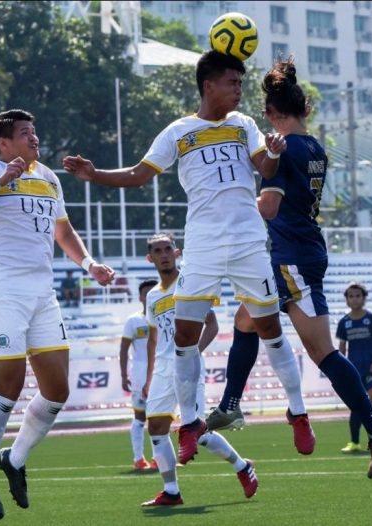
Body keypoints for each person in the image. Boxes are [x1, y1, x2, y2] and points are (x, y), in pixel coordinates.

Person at [63, 50, 314, 464]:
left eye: (240, 83)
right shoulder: (178, 131)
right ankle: (192, 423)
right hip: (202, 246)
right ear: (208, 85)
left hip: (249, 240)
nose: (239, 90)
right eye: (232, 82)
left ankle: (298, 412)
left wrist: (272, 152)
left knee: (270, 328)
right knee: (183, 337)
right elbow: (139, 174)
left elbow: (266, 172)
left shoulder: (245, 125)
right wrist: (94, 174)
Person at [205, 57, 372, 479]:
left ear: (271, 115)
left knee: (317, 349)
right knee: (251, 321)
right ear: (304, 110)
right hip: (302, 252)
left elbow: (270, 206)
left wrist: (238, 200)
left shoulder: (286, 149)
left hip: (291, 256)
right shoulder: (313, 147)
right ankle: (232, 405)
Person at [0, 109, 115, 521]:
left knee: (57, 390)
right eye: (26, 133)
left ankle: (15, 459)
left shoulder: (50, 177)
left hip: (43, 293)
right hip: (2, 291)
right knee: (8, 388)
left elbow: (63, 231)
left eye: (35, 132)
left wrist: (89, 264)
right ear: (5, 143)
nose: (34, 139)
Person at [140, 233, 258, 507]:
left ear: (177, 251)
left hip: (188, 365)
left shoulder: (189, 284)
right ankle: (171, 491)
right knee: (156, 427)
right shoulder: (153, 296)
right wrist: (148, 377)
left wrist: (191, 355)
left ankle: (242, 466)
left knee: (199, 432)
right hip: (162, 368)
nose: (164, 254)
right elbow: (153, 338)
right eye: (158, 251)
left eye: (168, 248)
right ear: (150, 258)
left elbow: (212, 325)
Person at [337, 282, 372, 453]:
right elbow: (342, 348)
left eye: (358, 295)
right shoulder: (344, 322)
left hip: (370, 369)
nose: (355, 299)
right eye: (351, 296)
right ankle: (354, 442)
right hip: (353, 371)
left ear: (364, 298)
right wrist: (343, 367)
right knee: (356, 405)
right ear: (347, 299)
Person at [119, 278, 159, 471]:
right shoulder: (133, 321)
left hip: (161, 373)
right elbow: (123, 349)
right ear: (140, 297)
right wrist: (123, 375)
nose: (150, 296)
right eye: (146, 293)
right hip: (140, 374)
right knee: (141, 417)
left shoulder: (164, 318)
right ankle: (138, 459)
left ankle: (158, 458)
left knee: (159, 417)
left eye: (154, 292)